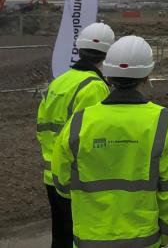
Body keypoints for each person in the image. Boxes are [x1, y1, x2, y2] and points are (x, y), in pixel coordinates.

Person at [52, 36, 168, 247]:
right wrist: (164, 235)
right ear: (147, 75)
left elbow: (61, 183)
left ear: (108, 74)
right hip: (144, 240)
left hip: (88, 240)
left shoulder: (78, 122)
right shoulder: (165, 122)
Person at [36, 23, 114, 248]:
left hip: (52, 174)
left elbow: (42, 125)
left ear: (80, 49)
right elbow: (92, 138)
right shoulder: (95, 87)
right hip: (76, 177)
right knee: (79, 237)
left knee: (60, 236)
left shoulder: (59, 81)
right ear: (108, 54)